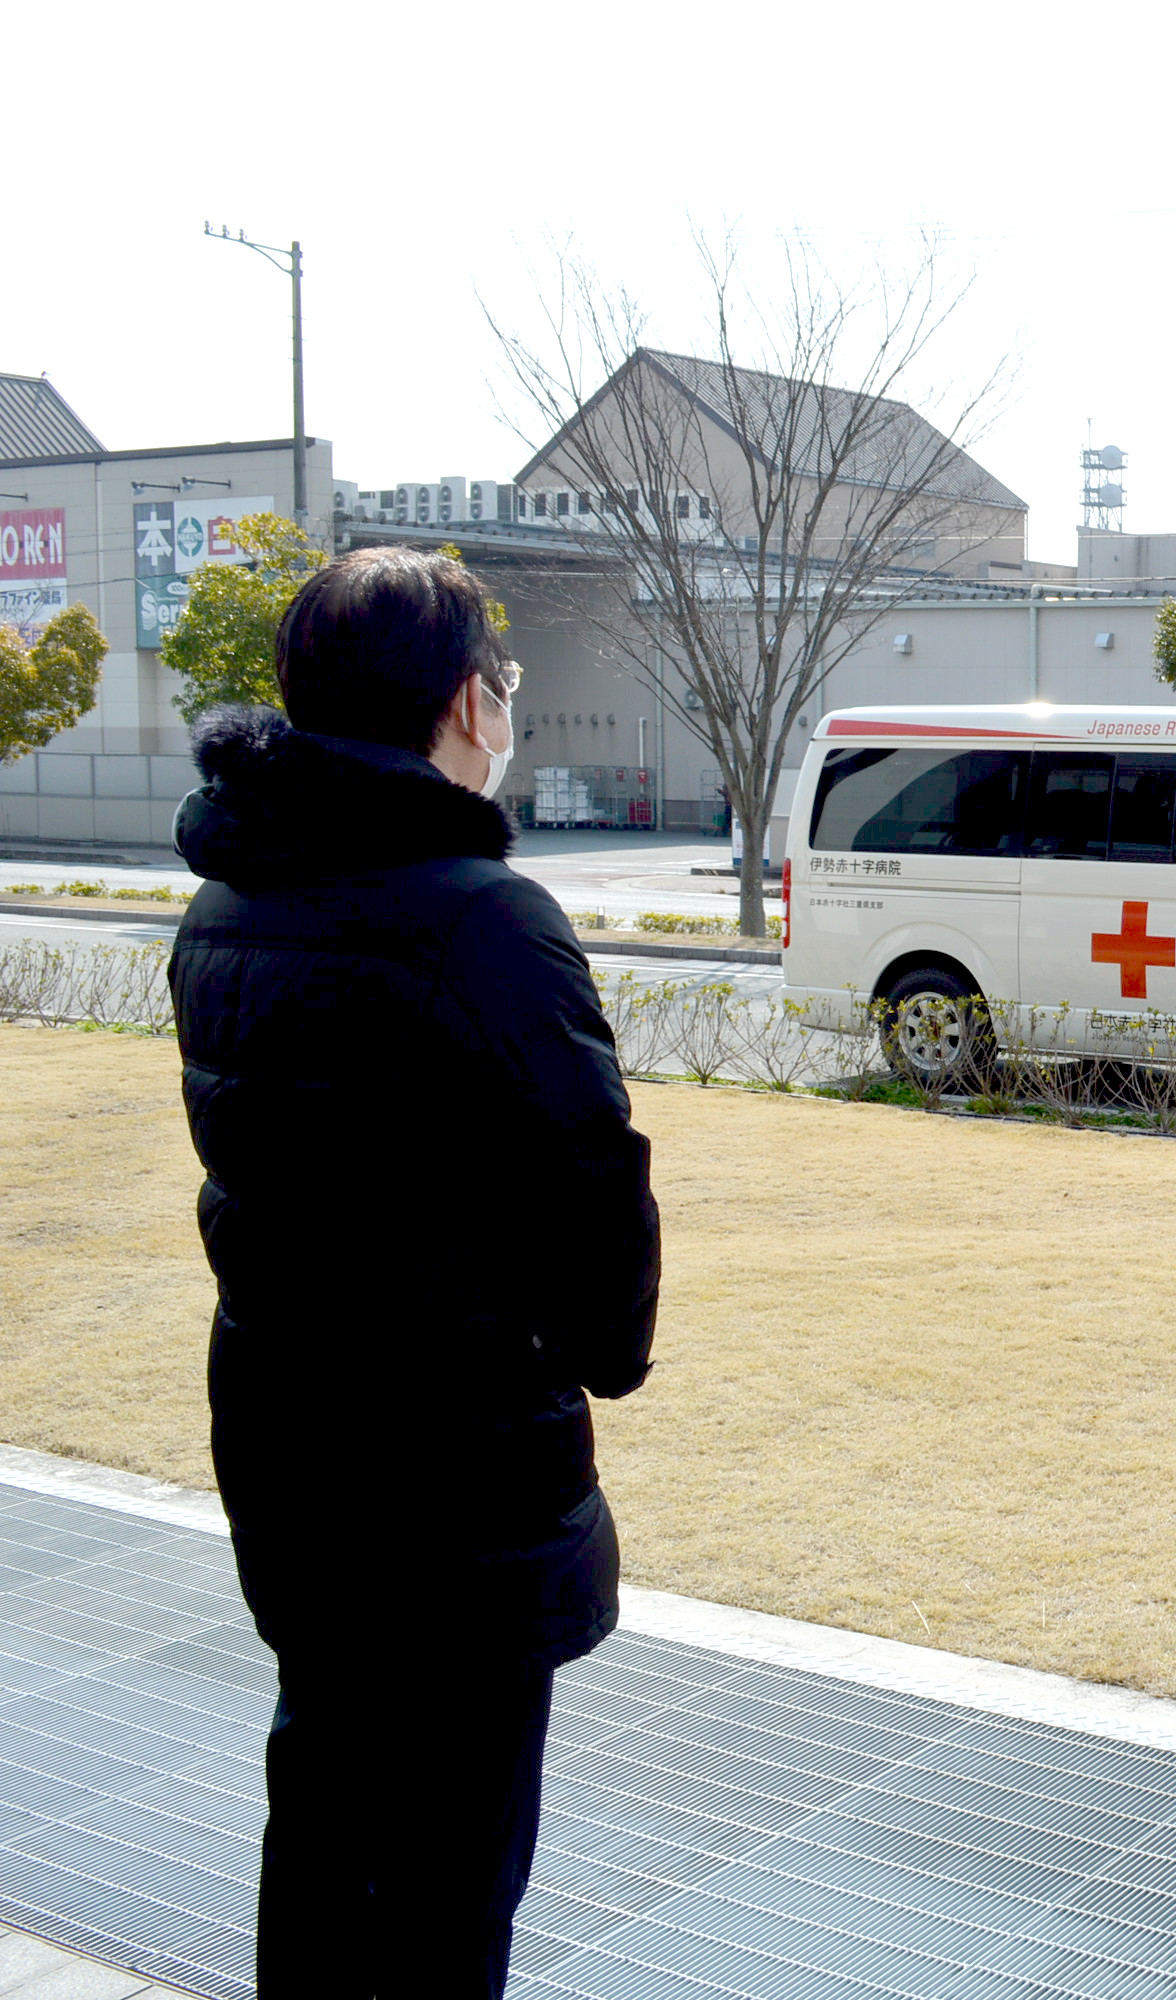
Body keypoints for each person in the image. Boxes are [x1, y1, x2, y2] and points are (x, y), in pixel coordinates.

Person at [167, 546, 658, 1996]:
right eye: (502, 682)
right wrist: (605, 1352)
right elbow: (592, 1197)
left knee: (320, 1820)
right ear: (461, 703)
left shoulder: (228, 903)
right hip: (454, 1478)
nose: (505, 709)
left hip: (287, 1441)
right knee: (451, 1879)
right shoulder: (479, 918)